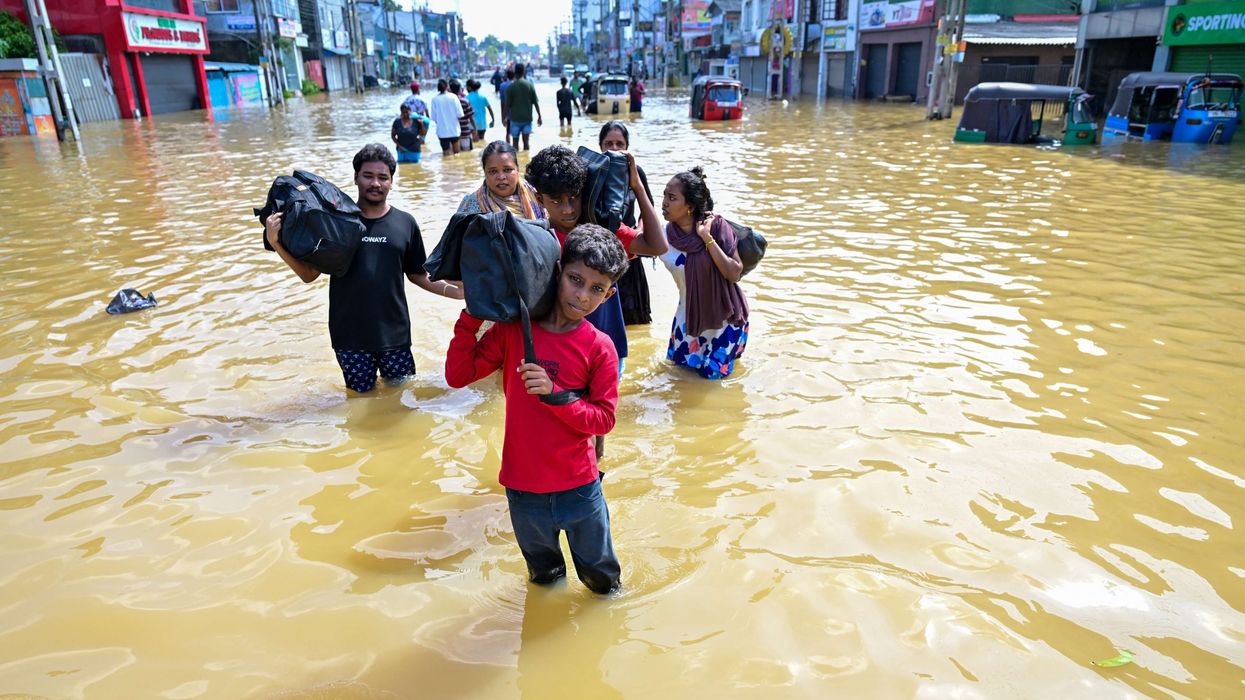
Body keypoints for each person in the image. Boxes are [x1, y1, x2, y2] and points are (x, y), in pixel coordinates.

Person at [445, 225, 629, 595]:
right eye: (575, 279)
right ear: (557, 270)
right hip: (523, 490)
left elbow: (604, 419)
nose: (581, 295)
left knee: (604, 585)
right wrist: (472, 314)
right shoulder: (515, 331)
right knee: (544, 581)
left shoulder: (600, 347)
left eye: (596, 288)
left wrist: (555, 393)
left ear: (609, 295)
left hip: (580, 489)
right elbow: (458, 375)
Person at [264, 143, 463, 393]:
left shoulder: (405, 222)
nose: (375, 183)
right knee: (360, 401)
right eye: (368, 176)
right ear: (356, 177)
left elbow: (417, 274)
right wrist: (276, 242)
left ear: (391, 181)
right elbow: (309, 275)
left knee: (401, 401)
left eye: (383, 177)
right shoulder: (336, 222)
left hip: (395, 337)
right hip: (350, 339)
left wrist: (453, 291)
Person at [526, 145, 666, 457]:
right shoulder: (538, 241)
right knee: (561, 431)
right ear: (539, 199)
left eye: (573, 197)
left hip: (605, 346)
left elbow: (656, 245)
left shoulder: (600, 233)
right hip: (561, 352)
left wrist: (637, 187)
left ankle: (596, 477)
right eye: (556, 201)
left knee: (597, 431)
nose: (567, 208)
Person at [659, 167, 749, 379]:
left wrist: (707, 238)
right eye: (664, 195)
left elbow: (734, 273)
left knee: (712, 387)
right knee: (679, 383)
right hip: (687, 320)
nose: (664, 202)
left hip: (724, 321)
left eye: (672, 198)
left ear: (689, 206)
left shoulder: (716, 226)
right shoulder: (664, 236)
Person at [598, 121, 653, 325]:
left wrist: (638, 234)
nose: (614, 149)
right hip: (601, 255)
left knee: (634, 321)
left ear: (627, 147)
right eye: (608, 143)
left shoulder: (635, 172)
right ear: (600, 146)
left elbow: (648, 209)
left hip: (630, 253)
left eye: (619, 144)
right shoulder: (594, 171)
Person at [456, 140, 546, 219]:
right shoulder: (471, 205)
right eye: (493, 171)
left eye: (507, 170)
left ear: (518, 170)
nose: (501, 177)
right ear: (484, 172)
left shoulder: (535, 195)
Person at [502, 63, 542, 151]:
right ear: (524, 72)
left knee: (515, 144)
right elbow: (535, 102)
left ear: (515, 72)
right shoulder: (529, 85)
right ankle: (526, 161)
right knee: (526, 143)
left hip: (515, 120)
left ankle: (516, 163)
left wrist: (504, 118)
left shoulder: (511, 87)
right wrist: (539, 116)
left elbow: (507, 105)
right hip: (527, 119)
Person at [429, 78, 465, 156]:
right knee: (457, 154)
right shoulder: (454, 97)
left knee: (446, 155)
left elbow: (434, 118)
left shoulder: (434, 99)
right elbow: (460, 114)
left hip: (442, 132)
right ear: (447, 86)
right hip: (454, 131)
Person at [450, 78, 474, 152]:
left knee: (455, 154)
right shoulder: (465, 101)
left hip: (453, 133)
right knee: (468, 155)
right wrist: (475, 129)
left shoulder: (448, 102)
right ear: (460, 90)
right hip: (465, 132)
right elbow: (471, 117)